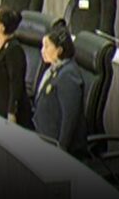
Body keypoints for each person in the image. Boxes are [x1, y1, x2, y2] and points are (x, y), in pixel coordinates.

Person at [32, 25, 88, 158]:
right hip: (43, 138)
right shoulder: (54, 69)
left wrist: (61, 149)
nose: (42, 51)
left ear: (59, 50)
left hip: (56, 148)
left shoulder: (69, 75)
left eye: (47, 46)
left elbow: (69, 118)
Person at [0, 6, 29, 126]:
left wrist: (11, 112)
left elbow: (16, 84)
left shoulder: (14, 50)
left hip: (9, 112)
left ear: (2, 27)